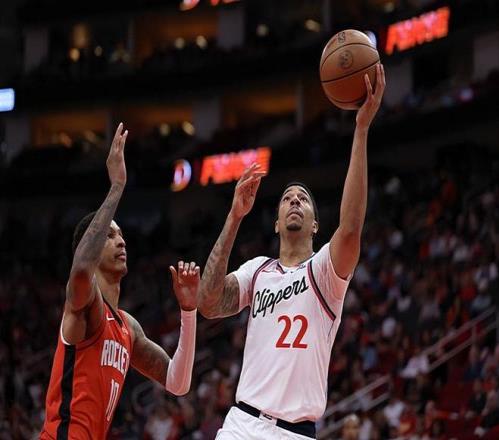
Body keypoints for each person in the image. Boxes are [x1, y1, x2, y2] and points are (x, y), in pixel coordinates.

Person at [198, 65, 386, 439]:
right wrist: (234, 217)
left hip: (294, 432)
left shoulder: (325, 272)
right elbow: (208, 302)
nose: (295, 200)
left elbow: (350, 228)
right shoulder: (258, 270)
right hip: (241, 424)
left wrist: (361, 129)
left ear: (316, 224)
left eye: (303, 198)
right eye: (287, 198)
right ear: (276, 223)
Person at [40, 123, 199, 439]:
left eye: (122, 235)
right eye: (110, 236)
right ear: (90, 246)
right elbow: (80, 272)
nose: (122, 241)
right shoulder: (87, 303)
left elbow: (178, 382)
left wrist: (189, 311)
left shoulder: (128, 328)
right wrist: (117, 187)